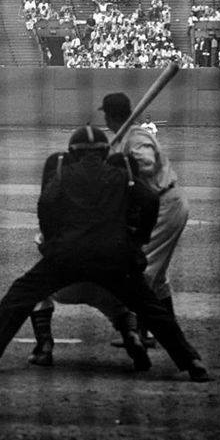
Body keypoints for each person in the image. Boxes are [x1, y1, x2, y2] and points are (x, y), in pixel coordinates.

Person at [0, 125, 209, 382]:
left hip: (67, 255)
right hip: (113, 256)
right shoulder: (120, 176)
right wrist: (136, 241)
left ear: (72, 152)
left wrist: (51, 243)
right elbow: (149, 199)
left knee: (19, 295)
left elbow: (45, 204)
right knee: (150, 307)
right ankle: (192, 361)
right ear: (105, 152)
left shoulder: (62, 172)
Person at [31, 92, 189, 355]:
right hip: (165, 202)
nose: (104, 117)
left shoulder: (135, 137)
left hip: (164, 204)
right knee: (157, 278)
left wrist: (116, 163)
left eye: (105, 114)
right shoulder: (129, 136)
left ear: (111, 115)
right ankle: (151, 331)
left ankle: (141, 331)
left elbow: (146, 165)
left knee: (141, 271)